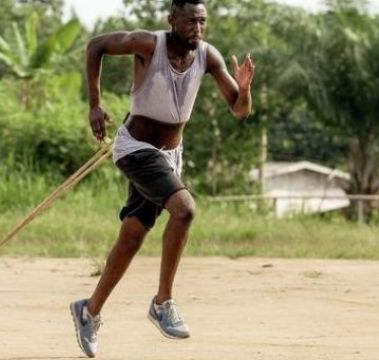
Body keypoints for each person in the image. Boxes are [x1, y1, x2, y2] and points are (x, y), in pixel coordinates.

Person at [69, 0, 255, 357]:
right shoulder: (147, 44)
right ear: (172, 20)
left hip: (170, 157)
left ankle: (88, 311)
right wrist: (94, 103)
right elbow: (96, 46)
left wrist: (244, 89)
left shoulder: (207, 56)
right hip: (135, 148)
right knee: (184, 210)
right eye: (190, 21)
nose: (197, 29)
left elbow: (239, 110)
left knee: (133, 237)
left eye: (202, 22)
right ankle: (162, 302)